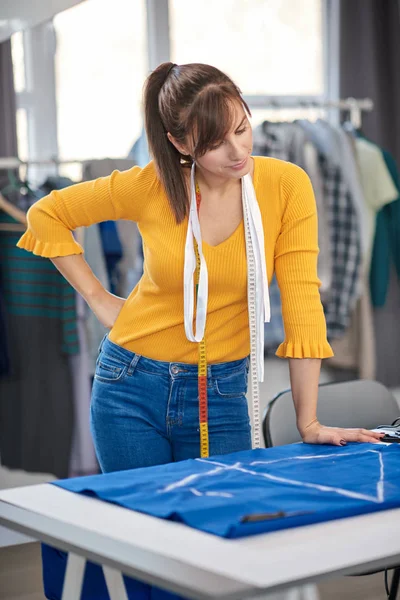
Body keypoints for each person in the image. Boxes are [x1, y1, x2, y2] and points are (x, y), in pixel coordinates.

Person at [17, 62, 385, 475]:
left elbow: (303, 305)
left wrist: (309, 422)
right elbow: (46, 213)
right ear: (179, 142)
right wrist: (99, 299)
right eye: (214, 142)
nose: (238, 151)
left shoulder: (285, 185)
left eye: (242, 129)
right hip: (129, 385)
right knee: (143, 527)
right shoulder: (151, 186)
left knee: (224, 519)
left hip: (222, 390)